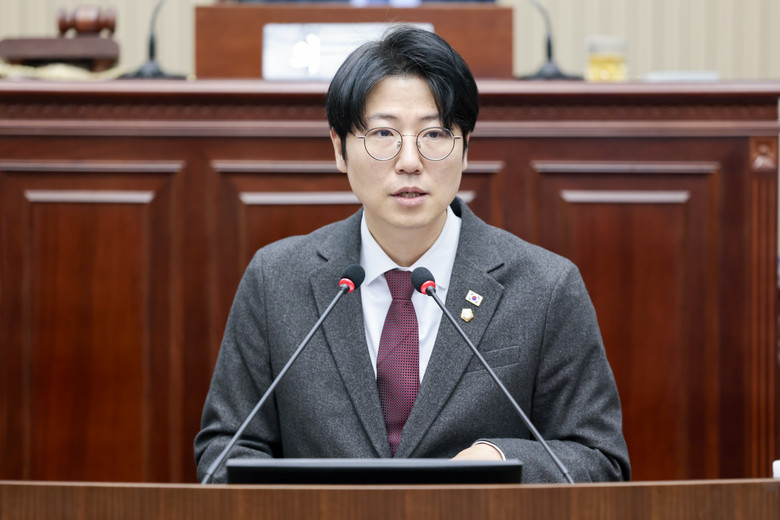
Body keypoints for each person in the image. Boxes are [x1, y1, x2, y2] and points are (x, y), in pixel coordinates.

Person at [194, 26, 630, 483]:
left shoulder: (546, 287)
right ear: (339, 149)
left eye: (434, 133)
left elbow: (600, 460)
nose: (409, 161)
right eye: (383, 133)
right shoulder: (276, 279)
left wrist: (501, 460)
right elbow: (226, 449)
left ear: (466, 148)